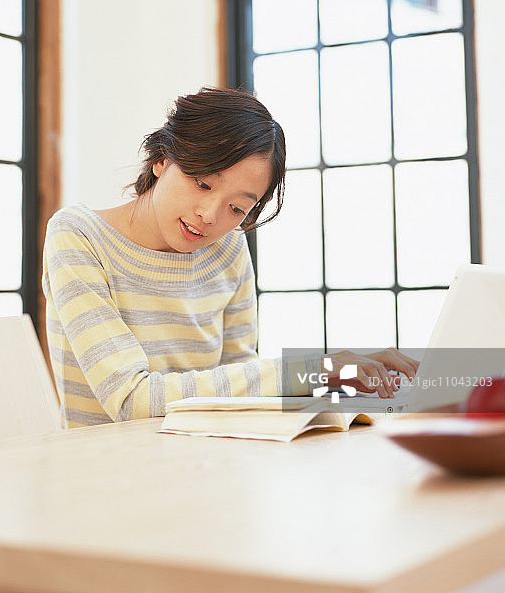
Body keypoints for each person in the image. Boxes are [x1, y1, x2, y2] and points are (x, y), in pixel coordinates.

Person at [43, 87, 419, 427]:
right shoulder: (79, 236)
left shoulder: (228, 247)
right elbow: (130, 400)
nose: (210, 215)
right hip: (103, 475)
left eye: (238, 208)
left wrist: (338, 382)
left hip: (205, 464)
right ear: (161, 160)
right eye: (202, 183)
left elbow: (241, 381)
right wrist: (312, 371)